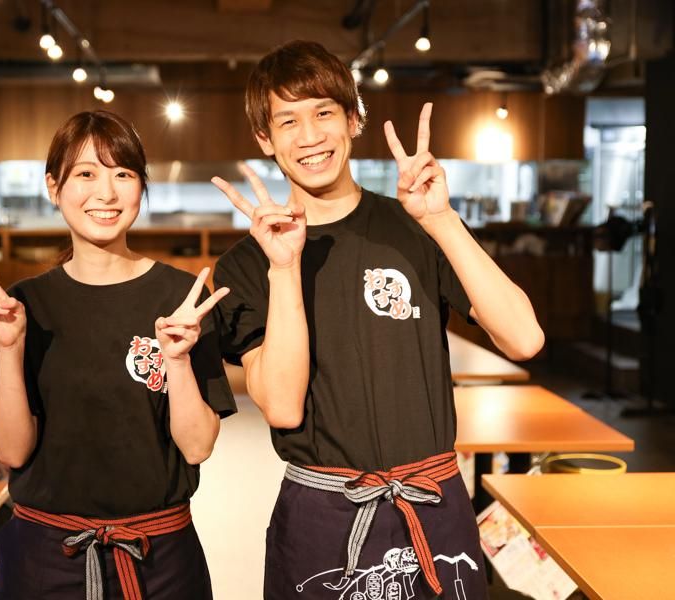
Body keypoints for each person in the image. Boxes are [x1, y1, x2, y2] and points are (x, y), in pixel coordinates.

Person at [211, 40, 544, 599]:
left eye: (323, 112)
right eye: (288, 120)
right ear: (265, 138)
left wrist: (441, 220)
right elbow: (284, 407)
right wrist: (284, 268)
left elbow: (524, 338)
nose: (309, 136)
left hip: (432, 504)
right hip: (321, 516)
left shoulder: (416, 226)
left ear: (353, 119)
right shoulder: (248, 264)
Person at [0, 110, 236, 600]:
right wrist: (9, 348)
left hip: (157, 558)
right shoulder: (22, 305)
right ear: (53, 186)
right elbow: (12, 452)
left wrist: (178, 360)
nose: (106, 193)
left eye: (123, 174)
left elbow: (196, 447)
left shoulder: (181, 298)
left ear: (141, 187)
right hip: (44, 559)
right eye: (85, 174)